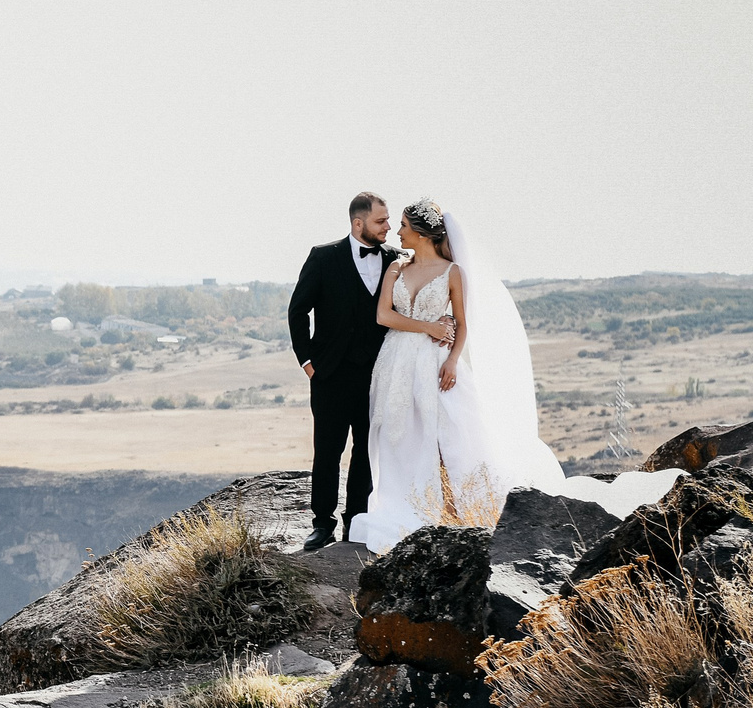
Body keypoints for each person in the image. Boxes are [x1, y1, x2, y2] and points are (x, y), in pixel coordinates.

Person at [347, 198, 683, 555]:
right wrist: (429, 326)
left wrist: (453, 360)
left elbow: (463, 324)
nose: (397, 231)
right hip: (397, 361)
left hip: (437, 360)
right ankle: (404, 501)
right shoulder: (397, 268)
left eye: (403, 225)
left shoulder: (452, 272)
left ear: (421, 232)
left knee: (449, 432)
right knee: (398, 431)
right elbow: (384, 316)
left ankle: (451, 507)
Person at [286, 192, 414, 551]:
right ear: (358, 223)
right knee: (327, 450)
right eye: (380, 221)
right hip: (330, 375)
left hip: (378, 374)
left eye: (388, 220)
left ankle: (356, 522)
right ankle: (322, 523)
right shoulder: (323, 257)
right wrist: (308, 362)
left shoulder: (397, 260)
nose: (388, 226)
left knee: (366, 452)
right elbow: (298, 311)